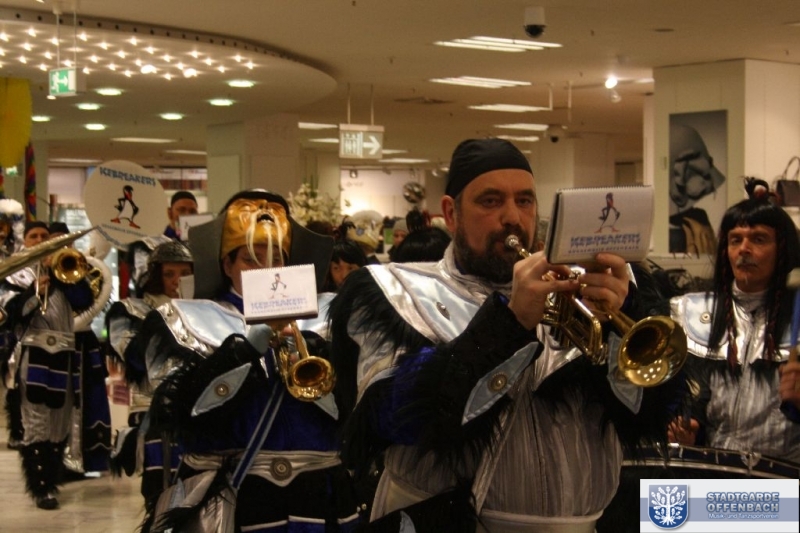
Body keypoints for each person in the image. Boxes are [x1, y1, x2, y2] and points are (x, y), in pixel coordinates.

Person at [328, 138, 681, 532]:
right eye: (490, 201)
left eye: (525, 201)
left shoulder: (578, 286)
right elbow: (394, 418)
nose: (512, 217)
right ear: (452, 214)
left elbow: (647, 417)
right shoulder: (393, 292)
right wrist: (508, 324)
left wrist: (623, 316)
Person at [138, 190, 358, 532]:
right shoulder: (189, 318)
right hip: (236, 495)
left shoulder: (328, 314)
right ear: (227, 265)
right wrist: (244, 352)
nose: (266, 270)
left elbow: (352, 409)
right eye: (251, 260)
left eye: (277, 259)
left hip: (318, 489)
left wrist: (317, 355)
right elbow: (179, 414)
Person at [668, 188, 800, 461]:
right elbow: (694, 399)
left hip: (786, 475)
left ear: (783, 249)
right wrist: (692, 431)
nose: (744, 249)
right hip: (716, 473)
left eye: (759, 239)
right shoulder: (692, 313)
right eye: (735, 240)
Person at [1, 224, 102, 509]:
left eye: (44, 237)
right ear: (24, 242)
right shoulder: (16, 273)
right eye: (33, 237)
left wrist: (62, 276)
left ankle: (54, 479)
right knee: (36, 420)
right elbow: (11, 314)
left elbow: (85, 301)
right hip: (34, 354)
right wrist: (34, 293)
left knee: (60, 420)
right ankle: (40, 487)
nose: (39, 240)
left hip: (65, 353)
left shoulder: (65, 269)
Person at [106, 240, 193, 500]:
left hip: (198, 409)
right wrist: (163, 318)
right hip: (153, 411)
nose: (177, 280)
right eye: (169, 274)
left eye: (185, 273)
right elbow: (134, 359)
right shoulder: (129, 311)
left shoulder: (206, 309)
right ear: (156, 276)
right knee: (160, 489)